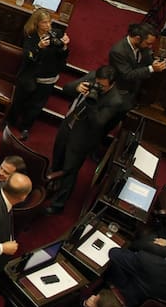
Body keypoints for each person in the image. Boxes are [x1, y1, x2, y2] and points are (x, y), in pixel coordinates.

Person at [45, 66, 127, 214]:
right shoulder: (92, 77)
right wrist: (77, 87)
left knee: (69, 170)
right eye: (97, 82)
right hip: (68, 125)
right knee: (57, 158)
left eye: (102, 85)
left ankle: (58, 204)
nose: (98, 86)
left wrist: (92, 101)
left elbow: (99, 122)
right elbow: (66, 88)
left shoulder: (115, 100)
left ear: (112, 84)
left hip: (83, 138)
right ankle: (51, 185)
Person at [8, 8, 70, 140]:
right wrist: (38, 47)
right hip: (30, 76)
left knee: (36, 106)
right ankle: (11, 121)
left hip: (48, 76)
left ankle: (25, 127)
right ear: (37, 23)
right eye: (44, 22)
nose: (48, 25)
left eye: (49, 22)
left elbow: (61, 56)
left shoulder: (57, 34)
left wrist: (64, 47)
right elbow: (27, 57)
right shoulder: (30, 36)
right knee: (19, 101)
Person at [109, 22, 166, 108]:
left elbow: (146, 57)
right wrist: (151, 69)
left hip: (135, 87)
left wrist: (153, 62)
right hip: (120, 90)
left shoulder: (141, 46)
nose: (150, 47)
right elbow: (127, 74)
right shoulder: (118, 51)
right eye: (148, 43)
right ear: (137, 38)